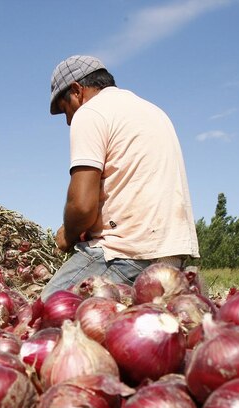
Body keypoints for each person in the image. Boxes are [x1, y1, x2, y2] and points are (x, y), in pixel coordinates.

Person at [41, 55, 199, 300]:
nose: (68, 120)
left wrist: (67, 236)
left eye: (65, 110)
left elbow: (82, 206)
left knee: (43, 311)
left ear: (76, 90)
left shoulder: (90, 112)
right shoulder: (151, 110)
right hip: (171, 256)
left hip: (125, 255)